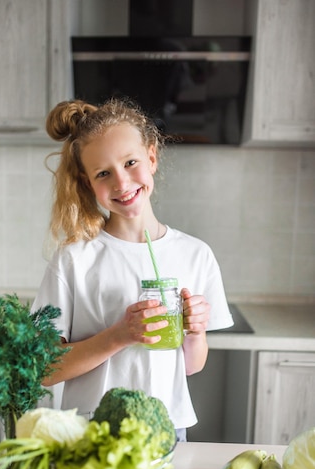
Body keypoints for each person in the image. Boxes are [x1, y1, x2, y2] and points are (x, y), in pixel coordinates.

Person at [32, 98, 233, 441]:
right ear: (86, 180)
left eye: (130, 162)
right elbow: (44, 369)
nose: (122, 183)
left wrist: (196, 332)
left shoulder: (195, 255)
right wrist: (120, 334)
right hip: (93, 430)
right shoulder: (75, 259)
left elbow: (190, 365)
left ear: (152, 157)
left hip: (168, 426)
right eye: (103, 173)